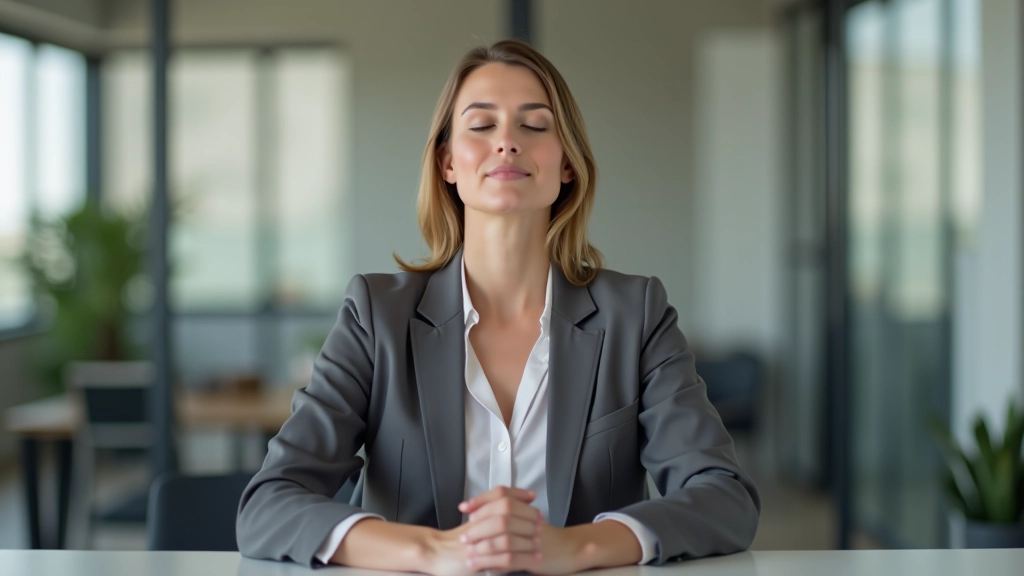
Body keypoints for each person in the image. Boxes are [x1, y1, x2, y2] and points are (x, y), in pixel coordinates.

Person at [236, 39, 760, 574]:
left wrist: (576, 547)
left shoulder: (636, 313)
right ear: (447, 163)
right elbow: (269, 505)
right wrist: (434, 550)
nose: (507, 142)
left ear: (567, 167)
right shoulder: (377, 315)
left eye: (534, 126)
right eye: (482, 126)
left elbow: (724, 498)